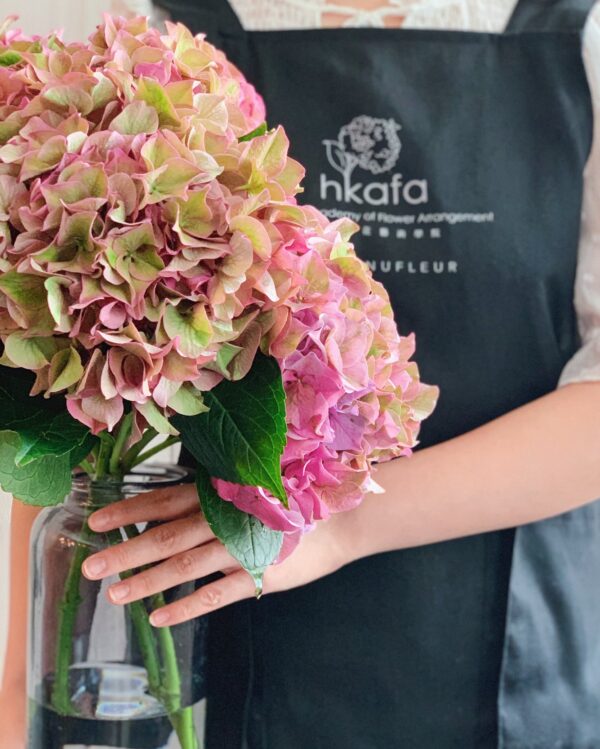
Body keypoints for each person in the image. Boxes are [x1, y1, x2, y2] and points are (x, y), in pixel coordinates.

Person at [3, 1, 600, 747]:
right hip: (231, 646)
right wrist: (19, 686)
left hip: (511, 649)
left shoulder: (577, 30)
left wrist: (343, 524)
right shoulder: (172, 30)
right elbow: (60, 369)